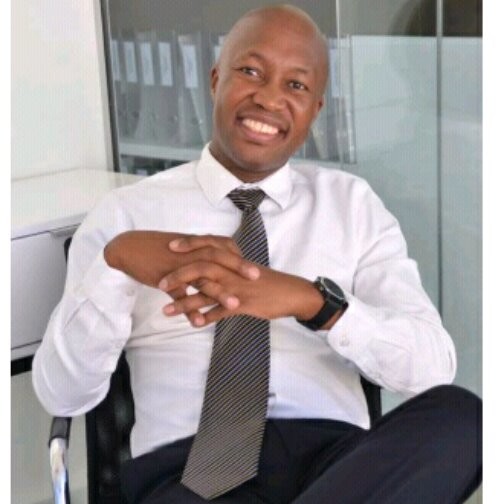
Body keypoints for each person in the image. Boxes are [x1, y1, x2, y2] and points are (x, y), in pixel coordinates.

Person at [33, 4, 481, 503]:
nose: (268, 98)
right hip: (191, 474)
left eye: (296, 85)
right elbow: (62, 393)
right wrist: (116, 262)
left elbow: (431, 371)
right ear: (215, 79)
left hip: (337, 468)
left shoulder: (352, 205)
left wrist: (315, 303)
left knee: (461, 418)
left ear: (316, 109)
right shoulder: (127, 215)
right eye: (250, 71)